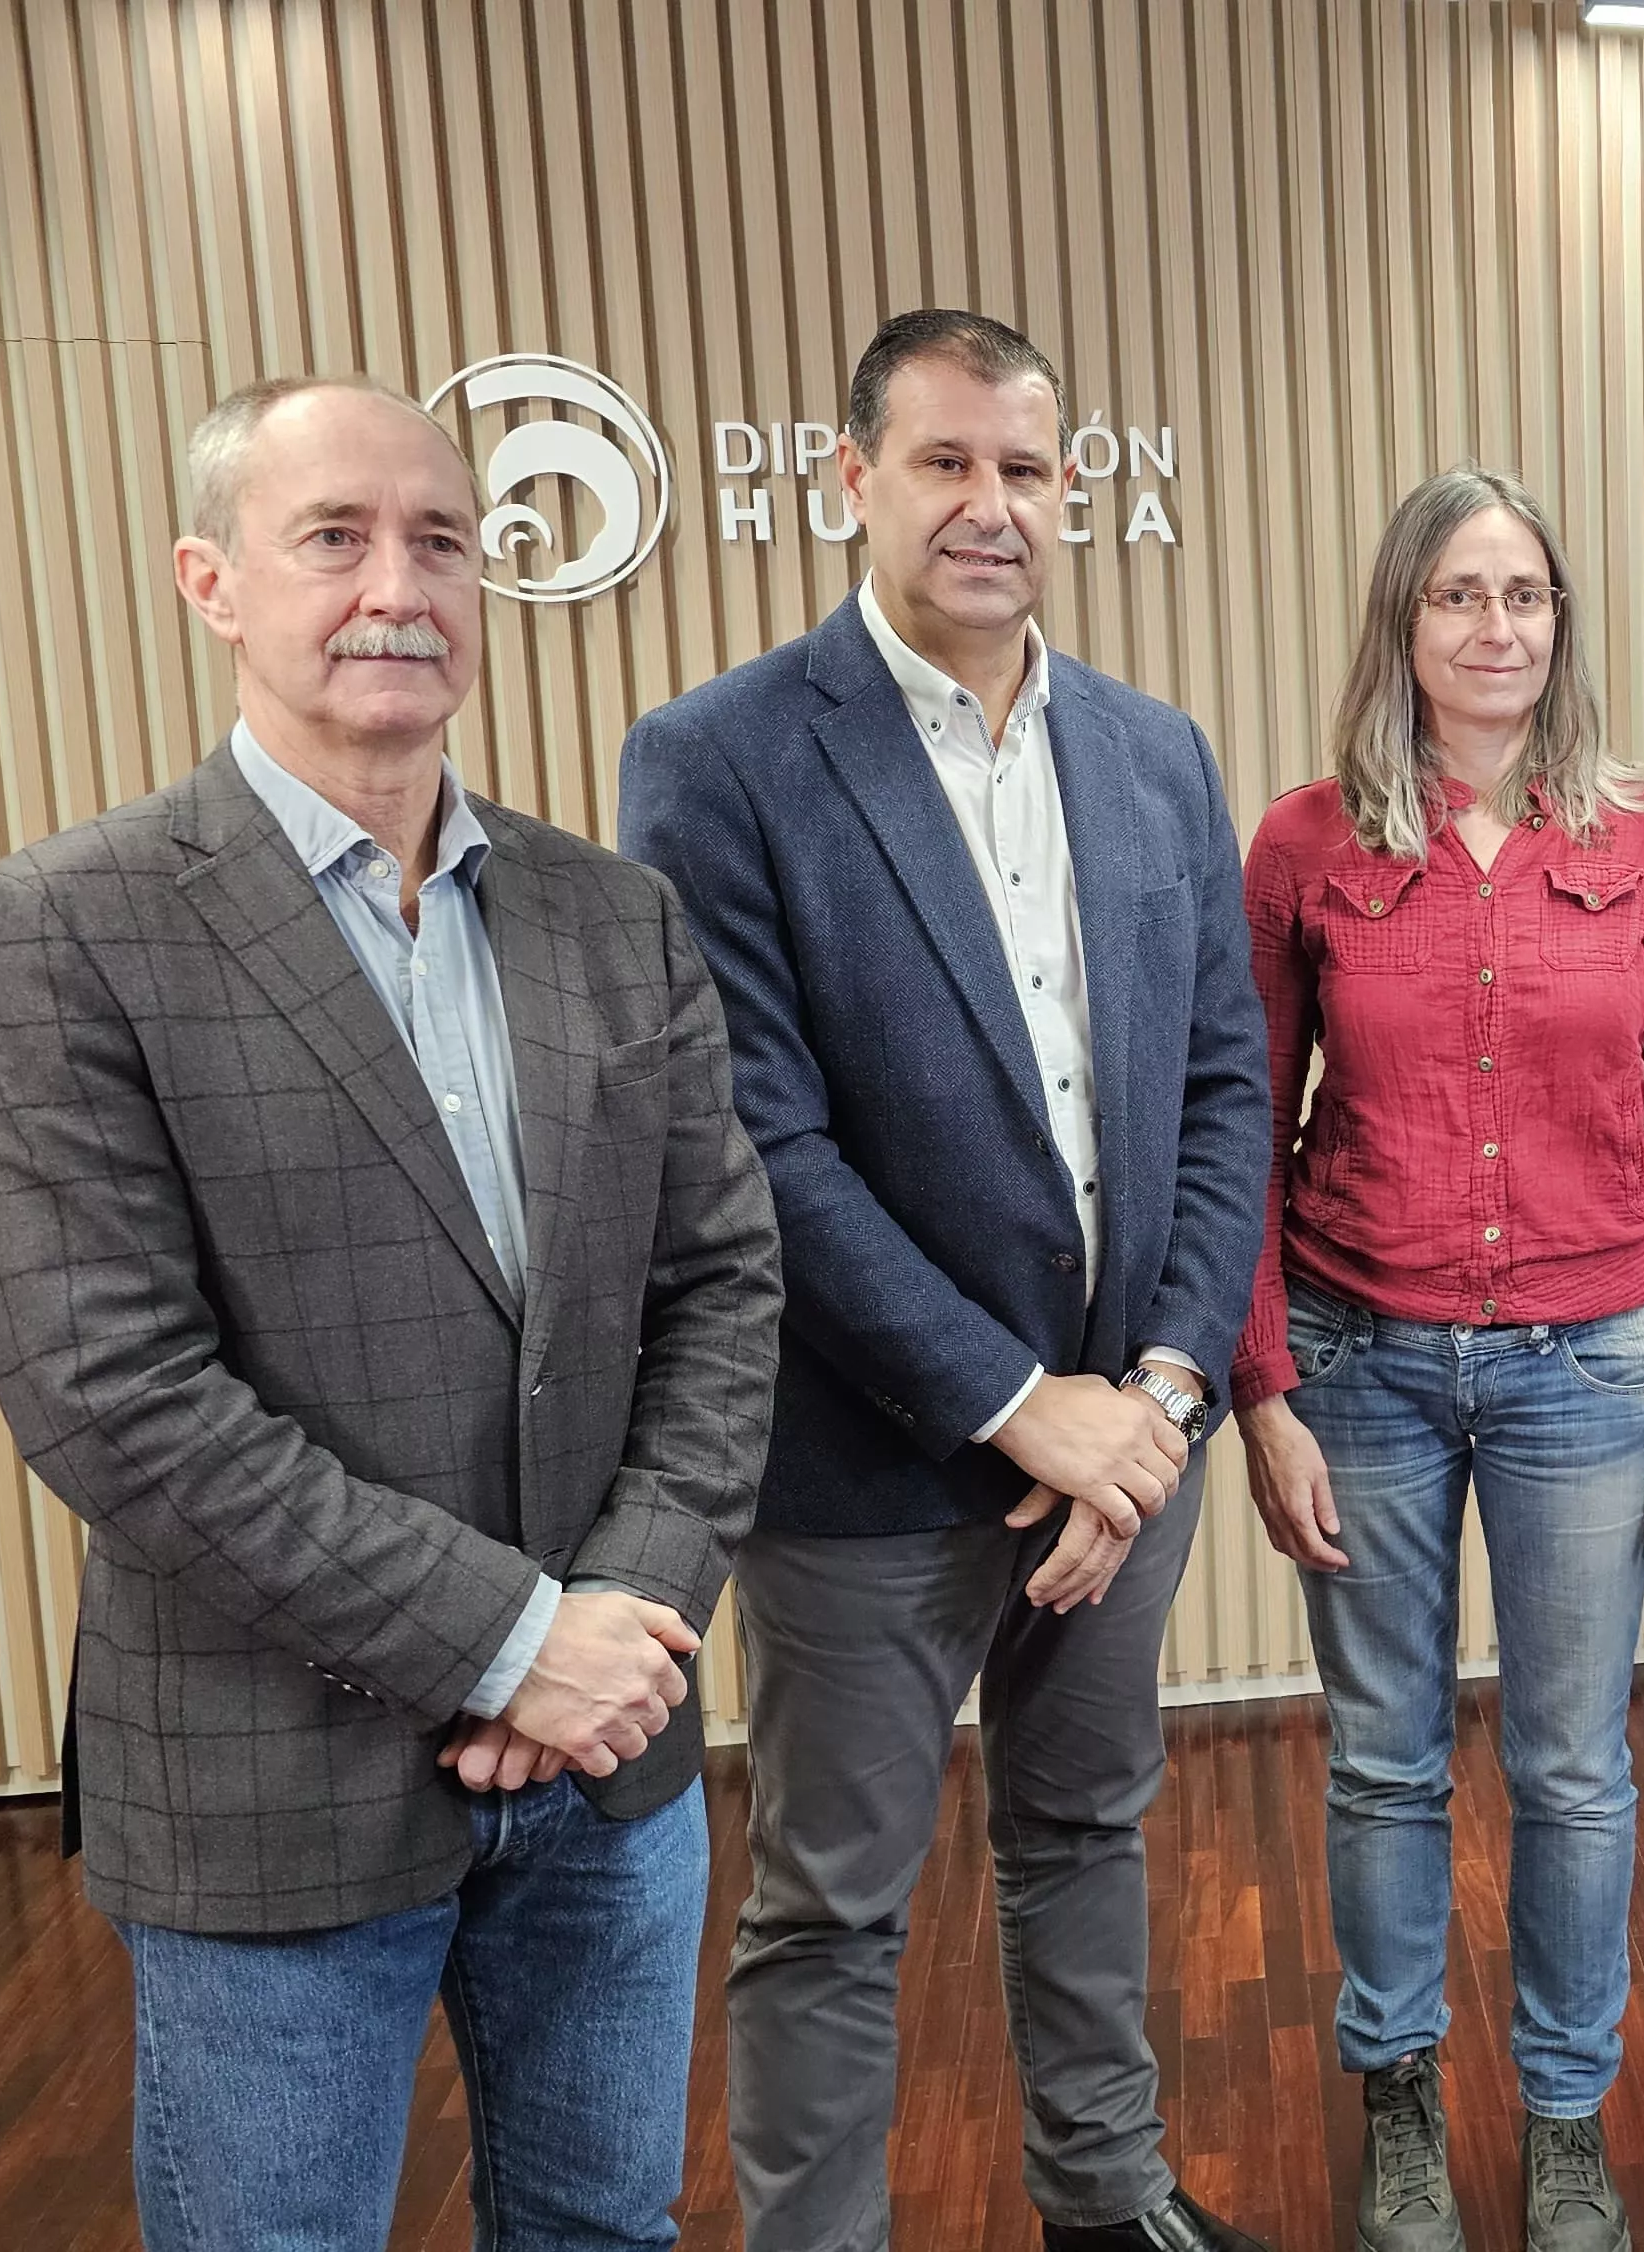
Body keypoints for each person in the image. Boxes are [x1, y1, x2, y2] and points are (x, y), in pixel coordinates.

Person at [0, 375, 784, 2252]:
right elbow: (112, 1397)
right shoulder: (56, 930)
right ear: (211, 582)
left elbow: (723, 1285)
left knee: (605, 2232)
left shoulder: (612, 916)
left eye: (442, 540)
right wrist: (504, 1643)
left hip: (607, 1773)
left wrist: (616, 1625)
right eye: (336, 537)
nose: (398, 583)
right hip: (272, 1785)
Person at [620, 311, 1273, 2252]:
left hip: (1122, 1456)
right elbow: (756, 1146)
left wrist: (1153, 1400)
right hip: (865, 1470)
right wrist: (1018, 1403)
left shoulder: (1153, 755)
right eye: (944, 462)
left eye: (1025, 468)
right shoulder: (721, 757)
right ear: (851, 478)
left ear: (1071, 490)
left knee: (1086, 1833)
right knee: (830, 1899)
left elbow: (1223, 1086)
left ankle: (1103, 2197)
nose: (991, 505)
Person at [1233, 468, 1644, 2252]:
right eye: (1459, 595)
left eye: (1525, 595)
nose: (1496, 628)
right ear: (1405, 621)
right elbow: (1245, 1128)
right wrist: (1262, 1389)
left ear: (1559, 625)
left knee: (1575, 1764)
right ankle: (1396, 2105)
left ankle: (1566, 2119)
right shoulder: (1307, 844)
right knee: (1381, 1759)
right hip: (1362, 1358)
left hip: (1594, 1369)